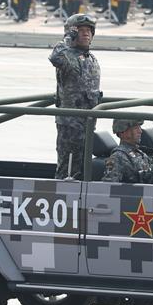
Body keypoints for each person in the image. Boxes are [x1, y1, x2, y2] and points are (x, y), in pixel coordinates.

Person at [49, 14, 101, 180]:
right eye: (80, 30)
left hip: (87, 123)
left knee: (82, 169)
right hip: (70, 126)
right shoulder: (67, 55)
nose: (86, 34)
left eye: (88, 30)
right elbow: (55, 57)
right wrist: (67, 39)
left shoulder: (91, 58)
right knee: (67, 170)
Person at [103, 119, 153, 183]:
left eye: (140, 128)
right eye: (136, 128)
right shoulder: (117, 157)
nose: (140, 131)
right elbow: (109, 186)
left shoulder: (139, 153)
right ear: (122, 132)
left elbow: (148, 176)